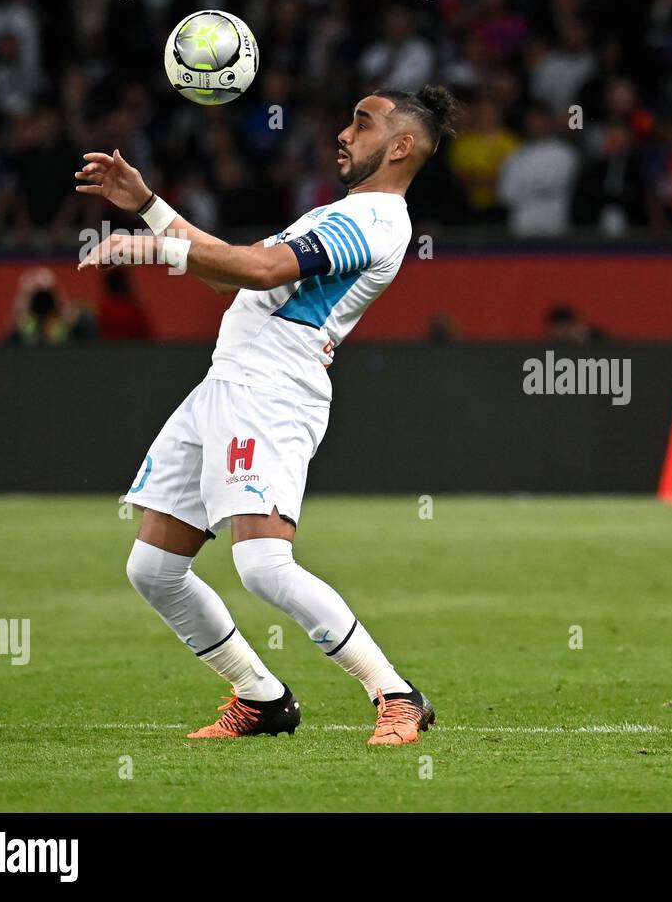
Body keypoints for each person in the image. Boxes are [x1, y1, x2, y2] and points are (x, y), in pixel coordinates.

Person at [73, 86, 459, 745]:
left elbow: (256, 268)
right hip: (225, 383)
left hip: (273, 391)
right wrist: (148, 216)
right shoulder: (335, 214)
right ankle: (261, 698)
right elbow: (232, 276)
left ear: (400, 146)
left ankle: (396, 694)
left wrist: (147, 223)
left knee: (263, 565)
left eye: (361, 123)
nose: (343, 133)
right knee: (153, 570)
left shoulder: (374, 222)